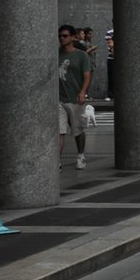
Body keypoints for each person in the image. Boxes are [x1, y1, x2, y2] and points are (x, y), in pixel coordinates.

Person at [57, 24, 94, 170]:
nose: (61, 38)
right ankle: (57, 161)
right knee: (60, 131)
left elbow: (87, 75)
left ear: (72, 37)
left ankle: (80, 154)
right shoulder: (56, 53)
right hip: (59, 99)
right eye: (60, 36)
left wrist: (82, 92)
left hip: (75, 99)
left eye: (65, 36)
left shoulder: (81, 55)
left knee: (78, 130)